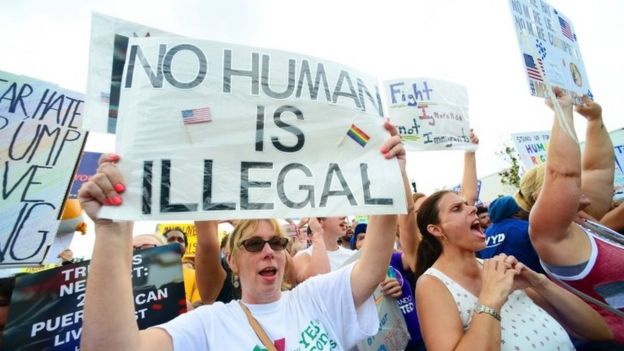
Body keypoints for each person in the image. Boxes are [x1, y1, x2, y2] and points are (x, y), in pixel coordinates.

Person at [78, 121, 408, 350]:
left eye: (277, 242)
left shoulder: (315, 298)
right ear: (233, 261)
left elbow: (373, 263)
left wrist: (389, 179)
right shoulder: (209, 324)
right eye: (254, 243)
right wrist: (112, 231)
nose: (269, 250)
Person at [414, 190, 613, 350]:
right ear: (436, 230)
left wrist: (540, 283)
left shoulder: (497, 269)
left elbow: (597, 330)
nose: (472, 209)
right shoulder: (432, 284)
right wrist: (490, 298)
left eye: (468, 204)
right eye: (457, 208)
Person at [516, 88, 624, 343]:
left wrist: (595, 119)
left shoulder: (586, 220)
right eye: (575, 185)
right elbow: (563, 173)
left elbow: (598, 168)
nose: (583, 186)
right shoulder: (551, 235)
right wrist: (562, 111)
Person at [478, 196, 543, 274]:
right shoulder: (527, 228)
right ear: (516, 211)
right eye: (521, 207)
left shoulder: (484, 234)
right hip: (531, 281)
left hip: (498, 282)